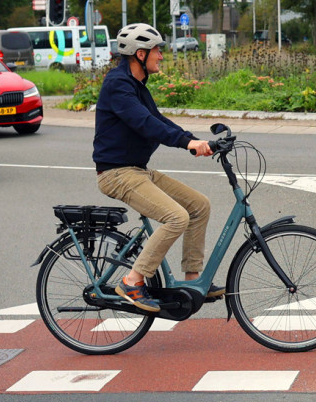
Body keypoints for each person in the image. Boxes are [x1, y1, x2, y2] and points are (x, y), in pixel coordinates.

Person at [93, 22, 221, 312]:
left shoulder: (137, 86)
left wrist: (194, 140)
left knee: (199, 205)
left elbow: (159, 120)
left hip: (137, 170)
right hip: (117, 173)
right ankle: (132, 281)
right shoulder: (118, 85)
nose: (161, 55)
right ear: (140, 54)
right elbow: (145, 123)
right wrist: (185, 143)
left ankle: (192, 280)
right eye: (157, 51)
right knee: (177, 217)